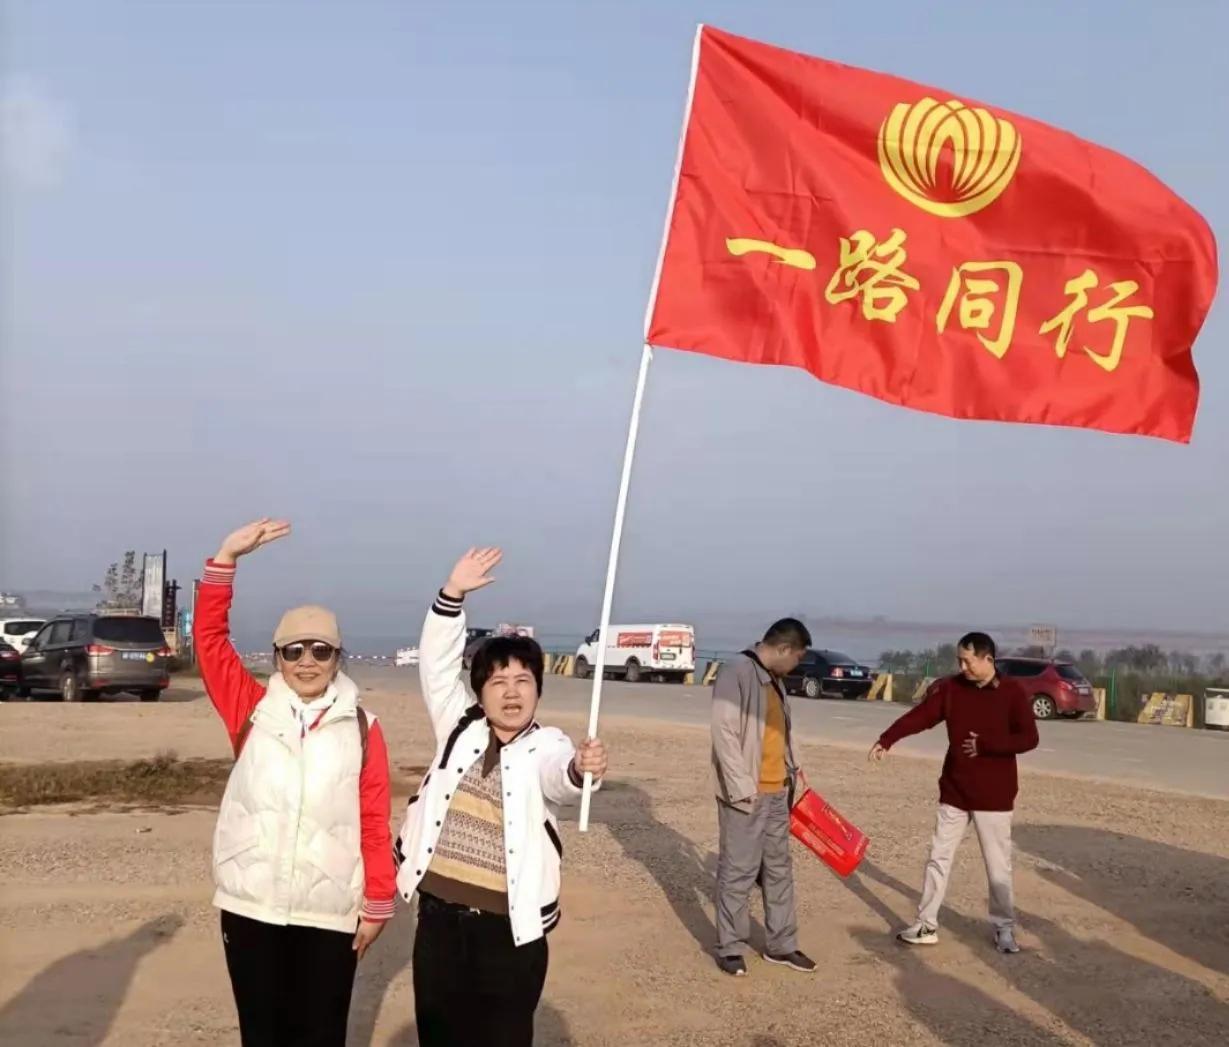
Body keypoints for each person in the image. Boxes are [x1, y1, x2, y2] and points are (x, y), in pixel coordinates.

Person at [395, 547, 608, 1047]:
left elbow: (562, 776)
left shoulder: (547, 744)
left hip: (509, 930)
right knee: (439, 1036)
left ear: (537, 689)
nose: (511, 693)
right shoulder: (459, 724)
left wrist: (581, 769)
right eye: (499, 682)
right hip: (439, 918)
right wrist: (453, 594)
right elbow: (435, 664)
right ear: (479, 691)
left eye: (523, 681)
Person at [195, 519, 395, 1046]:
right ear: (278, 656)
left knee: (320, 1035)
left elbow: (374, 820)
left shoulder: (363, 728)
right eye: (294, 650)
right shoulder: (250, 708)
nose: (307, 661)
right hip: (251, 907)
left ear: (337, 656)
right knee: (261, 1035)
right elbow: (210, 641)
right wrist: (225, 559)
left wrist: (378, 899)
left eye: (321, 650)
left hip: (328, 915)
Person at [869, 631, 1038, 954]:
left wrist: (987, 746)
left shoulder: (1013, 693)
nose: (962, 667)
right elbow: (921, 717)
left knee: (997, 865)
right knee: (938, 857)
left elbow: (1029, 738)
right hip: (955, 791)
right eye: (959, 660)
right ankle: (926, 923)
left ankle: (1003, 928)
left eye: (968, 661)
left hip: (994, 796)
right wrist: (888, 738)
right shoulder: (951, 690)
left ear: (988, 659)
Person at [711, 618, 817, 977]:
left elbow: (782, 731)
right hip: (747, 794)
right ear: (784, 649)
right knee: (738, 872)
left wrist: (795, 768)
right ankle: (730, 946)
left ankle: (782, 945)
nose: (797, 666)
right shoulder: (736, 672)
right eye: (797, 658)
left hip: (777, 792)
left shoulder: (776, 681)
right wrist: (742, 788)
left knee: (778, 871)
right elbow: (723, 732)